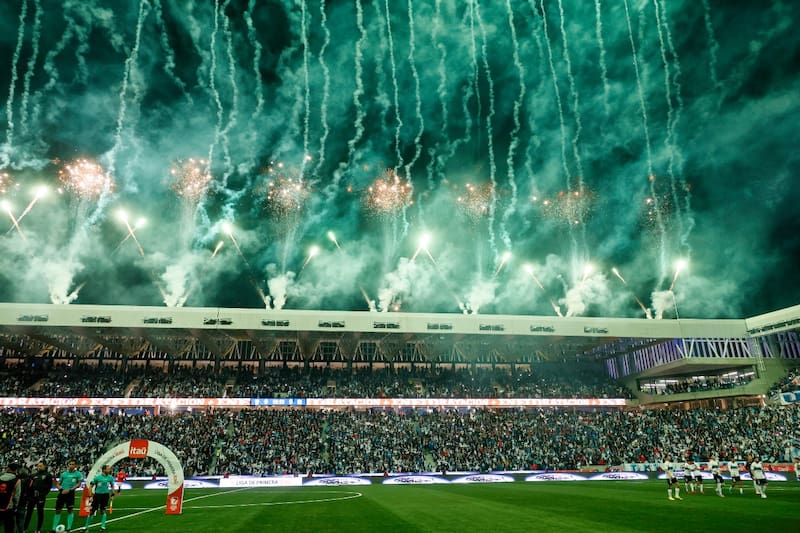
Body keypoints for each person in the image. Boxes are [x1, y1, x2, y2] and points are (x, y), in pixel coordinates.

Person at [81, 465, 118, 533]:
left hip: (105, 495)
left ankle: (103, 527)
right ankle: (86, 527)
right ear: (104, 470)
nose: (109, 470)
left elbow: (112, 486)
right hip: (97, 495)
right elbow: (90, 487)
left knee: (103, 510)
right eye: (108, 469)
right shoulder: (97, 478)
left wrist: (112, 495)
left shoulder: (110, 477)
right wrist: (90, 496)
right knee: (92, 511)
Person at [51, 460, 83, 533]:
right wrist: (61, 489)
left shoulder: (78, 474)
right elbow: (58, 484)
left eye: (73, 464)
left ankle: (69, 528)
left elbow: (79, 484)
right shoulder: (64, 474)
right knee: (58, 510)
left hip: (70, 494)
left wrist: (70, 490)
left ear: (75, 466)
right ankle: (53, 528)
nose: (71, 465)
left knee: (70, 510)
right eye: (70, 464)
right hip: (62, 493)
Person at [24, 460, 53, 533]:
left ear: (44, 466)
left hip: (41, 497)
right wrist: (29, 495)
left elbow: (49, 487)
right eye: (38, 466)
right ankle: (24, 529)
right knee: (28, 513)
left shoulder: (48, 475)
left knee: (40, 513)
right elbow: (29, 486)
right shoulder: (33, 475)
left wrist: (43, 495)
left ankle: (38, 529)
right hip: (32, 497)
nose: (39, 467)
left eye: (41, 466)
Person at [0, 463, 20, 533]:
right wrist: (15, 506)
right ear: (15, 470)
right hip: (9, 507)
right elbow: (17, 496)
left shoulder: (0, 477)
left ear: (8, 468)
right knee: (9, 528)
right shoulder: (17, 480)